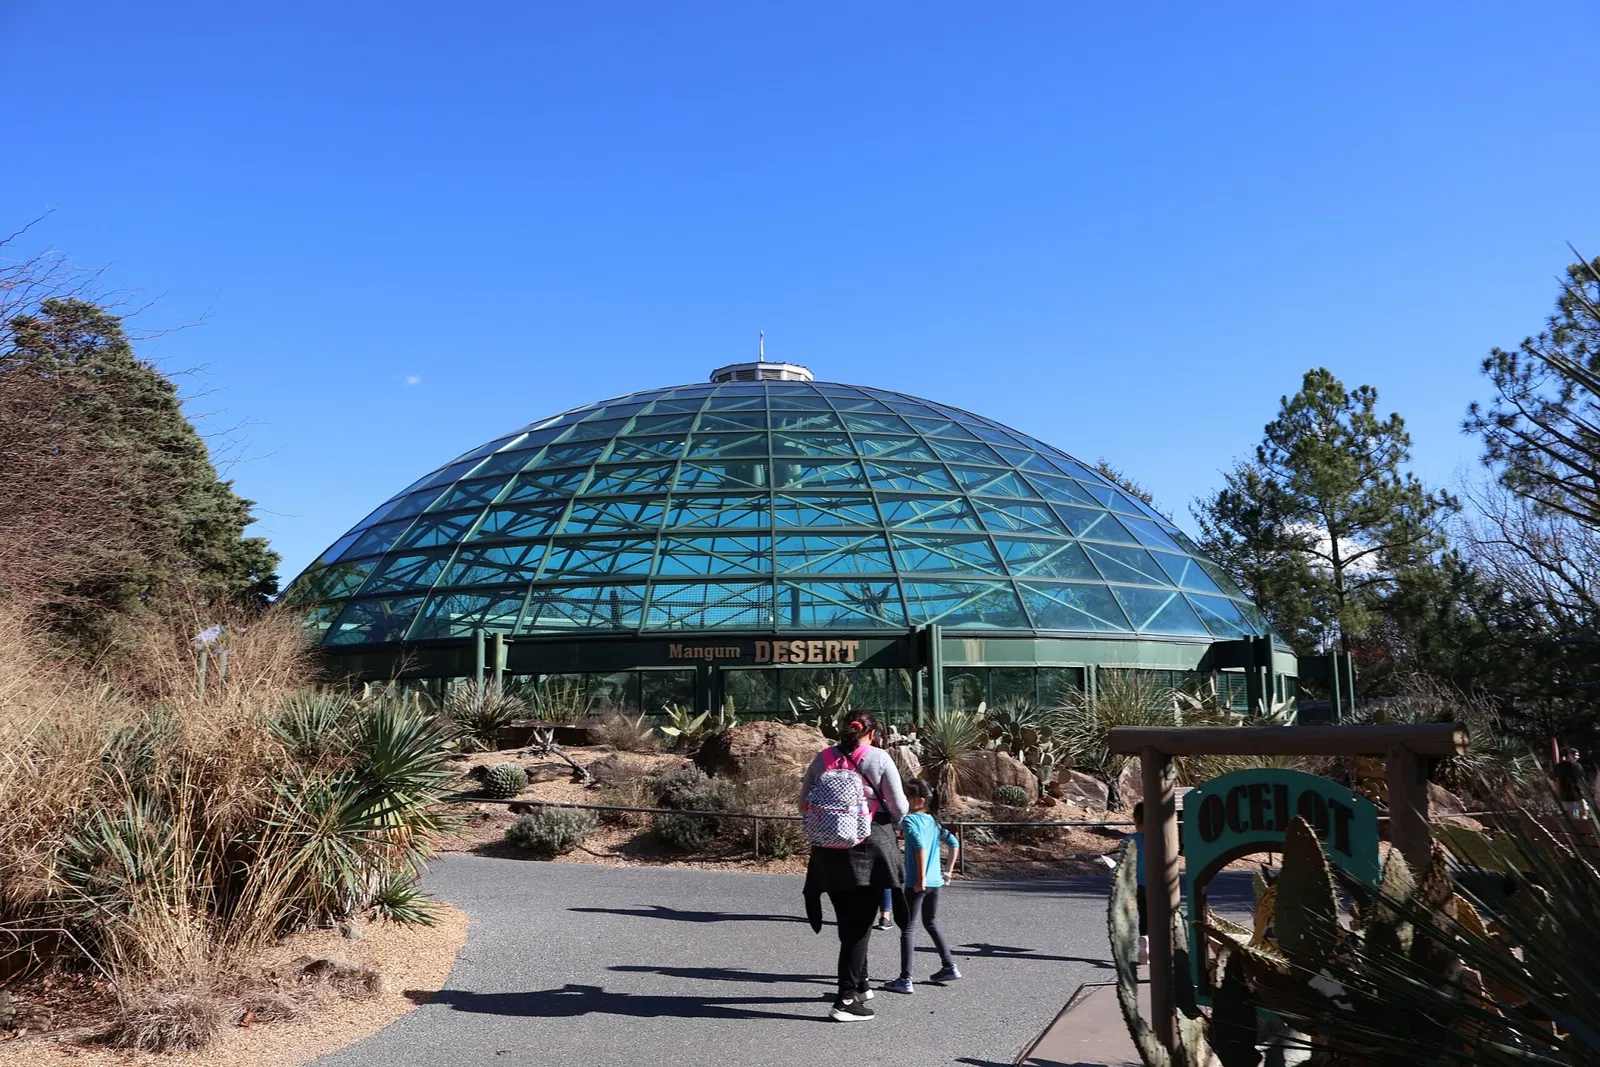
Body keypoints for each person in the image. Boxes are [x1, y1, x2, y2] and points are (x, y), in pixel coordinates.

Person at [799, 710, 907, 1022]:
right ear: (872, 733)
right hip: (868, 851)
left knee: (848, 922)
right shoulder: (880, 758)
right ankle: (845, 1000)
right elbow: (899, 807)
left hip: (827, 852)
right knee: (858, 929)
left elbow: (802, 802)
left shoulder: (823, 758)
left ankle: (861, 984)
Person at [883, 778, 961, 994]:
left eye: (907, 797)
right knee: (931, 923)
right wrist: (948, 871)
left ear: (919, 800)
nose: (904, 801)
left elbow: (919, 848)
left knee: (908, 928)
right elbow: (954, 843)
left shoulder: (910, 821)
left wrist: (920, 879)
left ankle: (905, 978)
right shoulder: (933, 821)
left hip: (917, 884)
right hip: (935, 882)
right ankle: (949, 966)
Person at [1127, 801, 1149, 965]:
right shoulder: (1161, 838)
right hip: (1160, 885)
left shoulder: (1131, 840)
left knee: (1144, 917)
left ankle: (1144, 943)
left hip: (1138, 885)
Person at [1556, 749, 1591, 821]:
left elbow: (1556, 781)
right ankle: (1584, 826)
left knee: (1570, 814)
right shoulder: (1577, 766)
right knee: (1584, 811)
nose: (1578, 757)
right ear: (1570, 755)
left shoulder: (1558, 767)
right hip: (1577, 793)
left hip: (1564, 793)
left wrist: (1558, 792)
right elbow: (1581, 780)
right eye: (1576, 755)